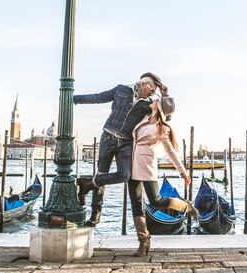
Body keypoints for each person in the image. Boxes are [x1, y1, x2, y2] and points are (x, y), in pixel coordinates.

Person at [74, 72, 175, 227]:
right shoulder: (121, 90)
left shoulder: (149, 104)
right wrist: (75, 99)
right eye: (152, 89)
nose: (153, 93)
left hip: (127, 143)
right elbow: (98, 97)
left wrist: (165, 95)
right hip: (108, 137)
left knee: (125, 175)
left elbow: (167, 117)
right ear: (143, 84)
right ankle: (95, 214)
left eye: (155, 91)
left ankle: (87, 183)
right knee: (102, 174)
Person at [129, 99, 198, 256]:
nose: (152, 101)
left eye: (156, 101)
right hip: (132, 164)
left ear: (159, 107)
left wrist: (182, 171)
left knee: (156, 201)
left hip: (147, 165)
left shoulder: (161, 128)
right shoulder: (143, 117)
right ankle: (144, 241)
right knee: (136, 203)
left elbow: (170, 151)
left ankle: (187, 207)